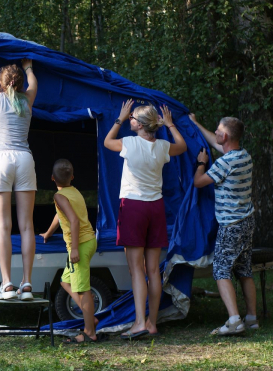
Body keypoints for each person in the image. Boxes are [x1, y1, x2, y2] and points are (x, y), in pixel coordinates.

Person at [104, 99, 187, 339]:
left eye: (132, 118)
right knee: (152, 270)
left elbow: (107, 141)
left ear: (139, 124)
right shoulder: (162, 146)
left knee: (136, 270)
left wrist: (118, 118)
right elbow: (181, 146)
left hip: (133, 207)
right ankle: (152, 323)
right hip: (156, 209)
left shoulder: (129, 143)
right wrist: (170, 125)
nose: (129, 120)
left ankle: (139, 322)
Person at [191, 114, 258, 335]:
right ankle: (251, 318)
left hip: (231, 225)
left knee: (221, 270)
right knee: (244, 269)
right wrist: (196, 124)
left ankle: (233, 320)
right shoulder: (242, 156)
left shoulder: (224, 163)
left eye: (218, 130)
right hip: (247, 221)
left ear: (225, 136)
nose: (216, 133)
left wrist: (201, 164)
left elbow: (199, 183)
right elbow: (215, 141)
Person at [0, 52, 38, 301]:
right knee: (27, 226)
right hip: (24, 159)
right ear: (21, 84)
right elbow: (34, 83)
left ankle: (7, 284)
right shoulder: (28, 99)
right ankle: (27, 284)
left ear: (1, 84)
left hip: (2, 159)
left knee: (3, 225)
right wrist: (29, 67)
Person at [40, 159, 104, 343]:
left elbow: (74, 221)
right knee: (65, 282)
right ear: (73, 177)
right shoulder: (73, 192)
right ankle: (89, 315)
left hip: (80, 245)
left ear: (52, 178)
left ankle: (89, 332)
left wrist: (74, 248)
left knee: (83, 290)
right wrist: (48, 232)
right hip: (88, 241)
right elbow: (60, 215)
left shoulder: (59, 196)